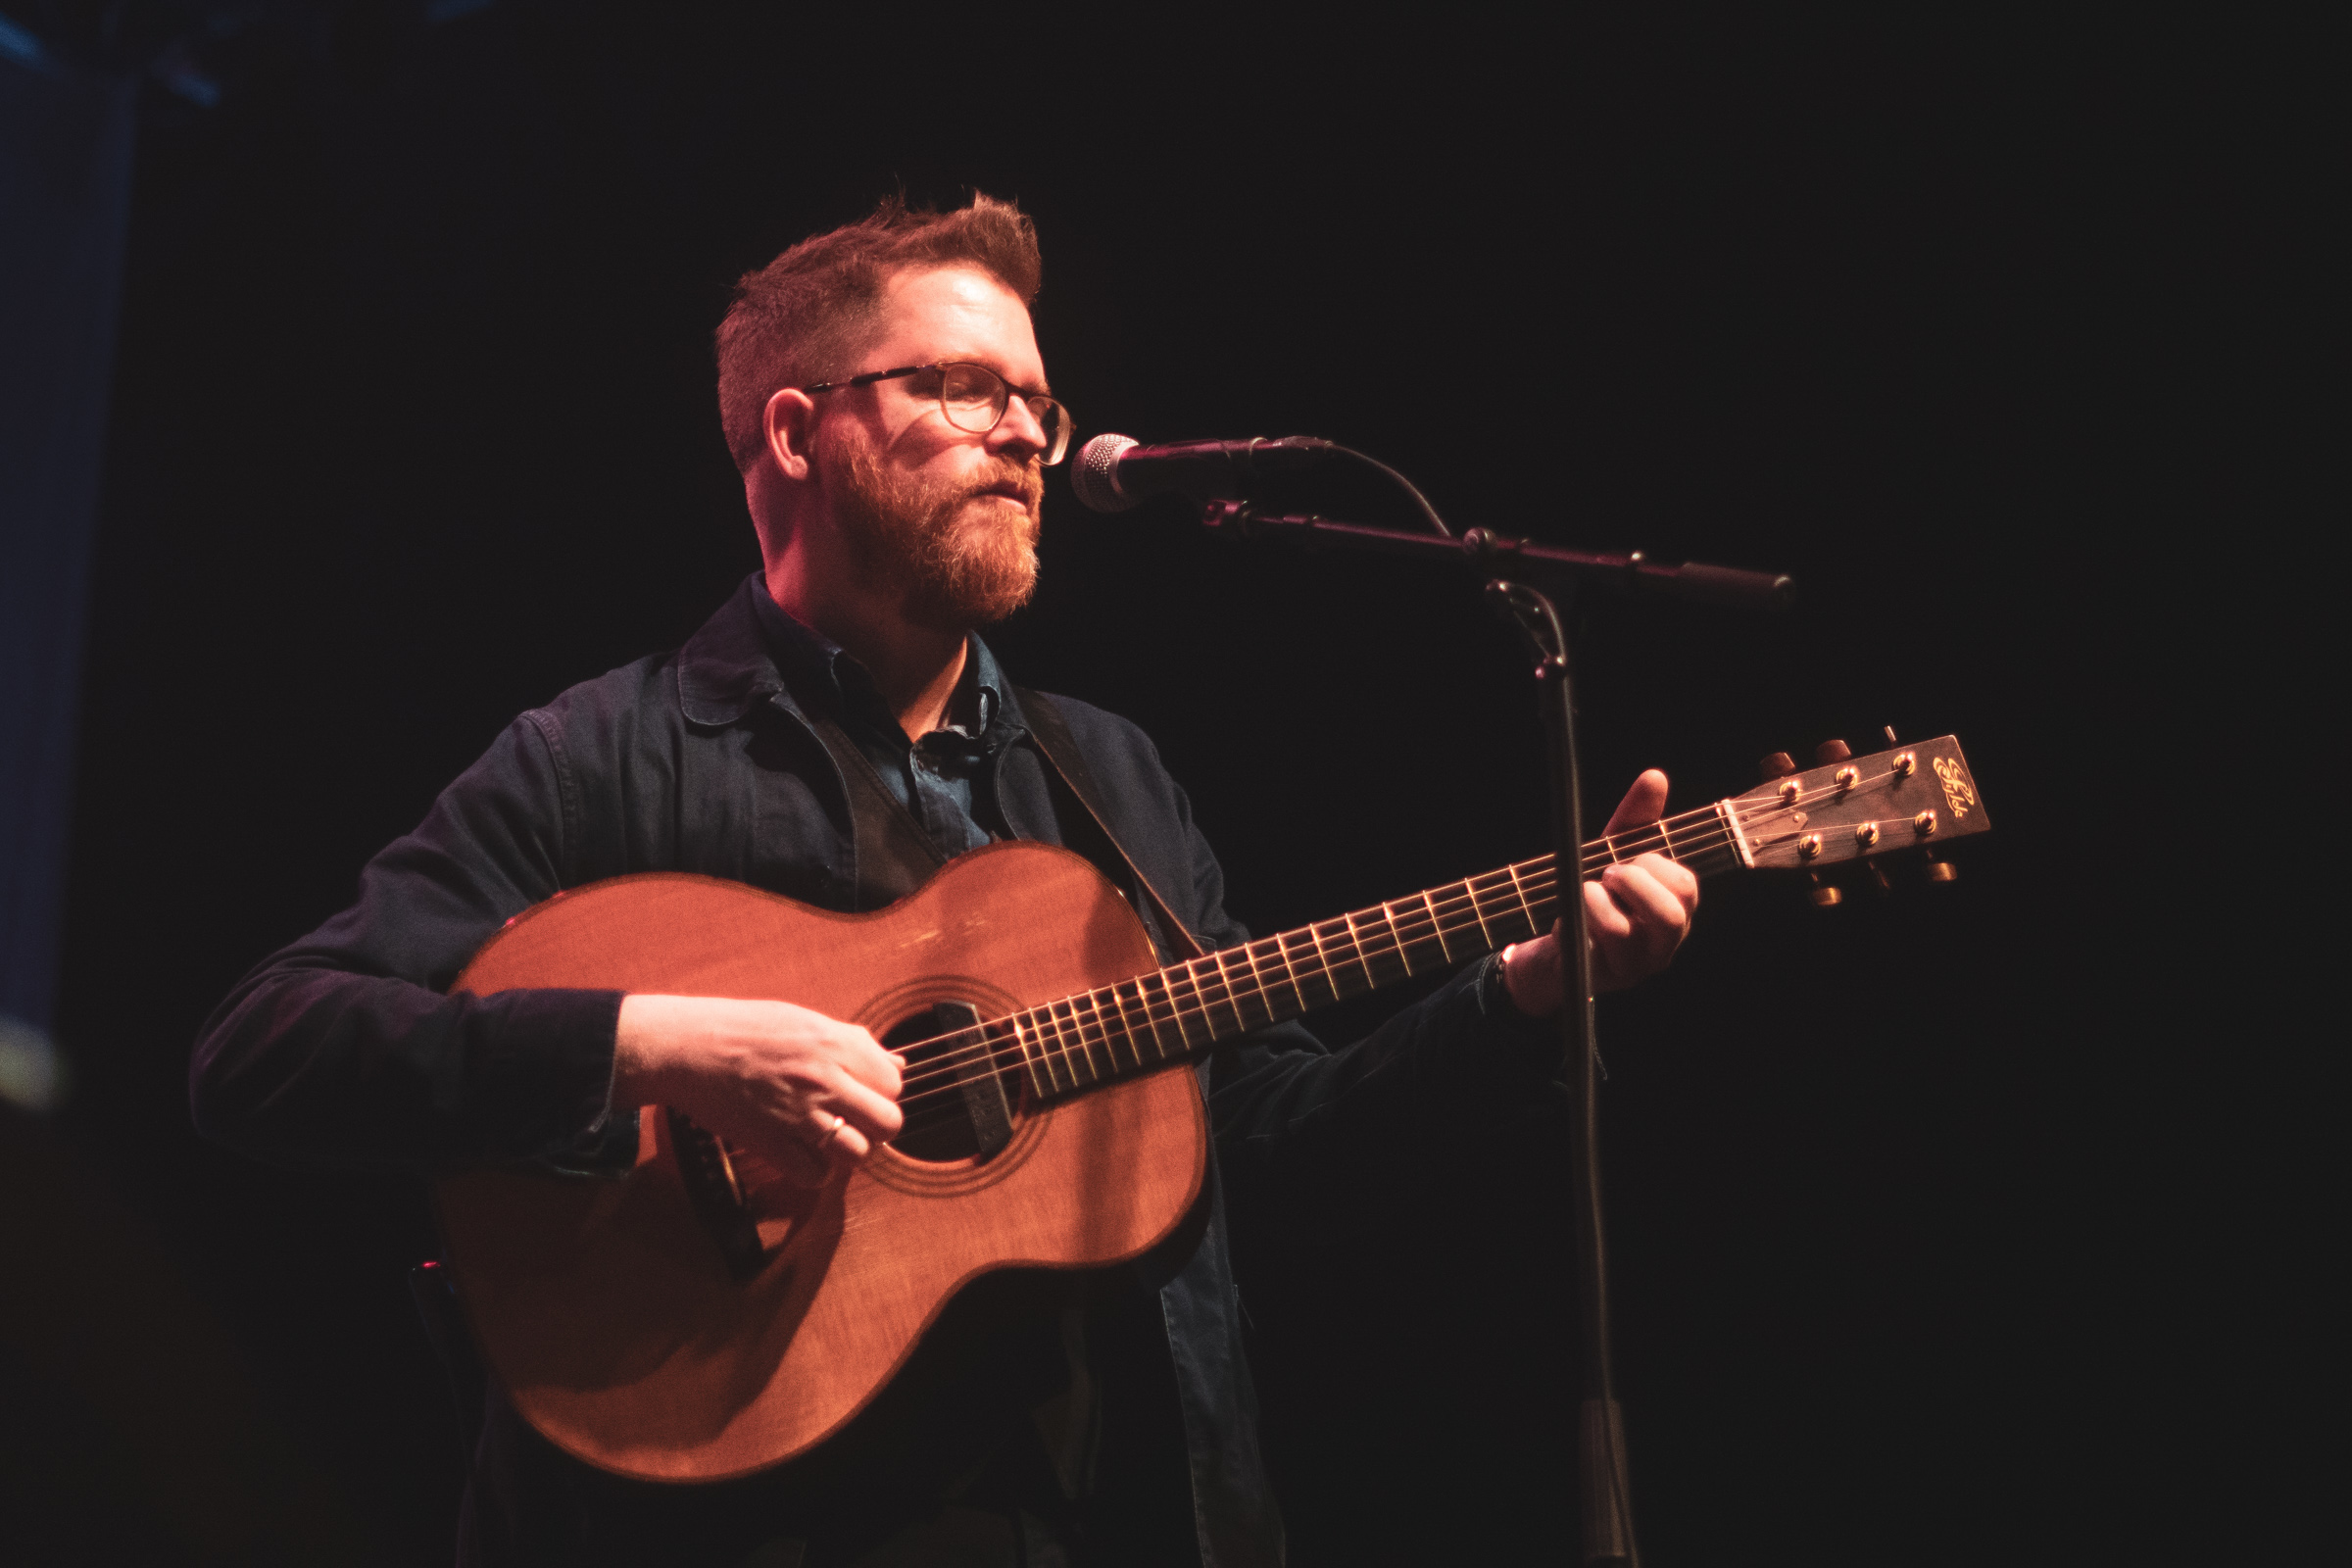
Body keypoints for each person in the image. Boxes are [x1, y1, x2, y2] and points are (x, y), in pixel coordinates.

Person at [190, 194, 1698, 1568]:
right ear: (797, 434)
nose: (1029, 433)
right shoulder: (607, 754)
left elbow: (1254, 1132)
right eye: (966, 389)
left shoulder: (1110, 780)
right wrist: (657, 1046)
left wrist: (1521, 993)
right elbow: (268, 1048)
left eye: (1039, 399)